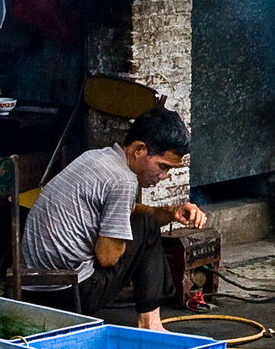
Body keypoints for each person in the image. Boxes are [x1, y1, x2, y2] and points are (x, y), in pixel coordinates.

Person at [21, 106, 209, 326]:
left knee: (144, 222)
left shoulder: (96, 158)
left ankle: (150, 317)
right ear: (139, 149)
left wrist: (169, 211)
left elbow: (128, 211)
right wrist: (124, 241)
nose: (164, 176)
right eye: (162, 166)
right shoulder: (123, 180)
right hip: (66, 295)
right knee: (146, 227)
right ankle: (151, 323)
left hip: (29, 289)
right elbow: (107, 257)